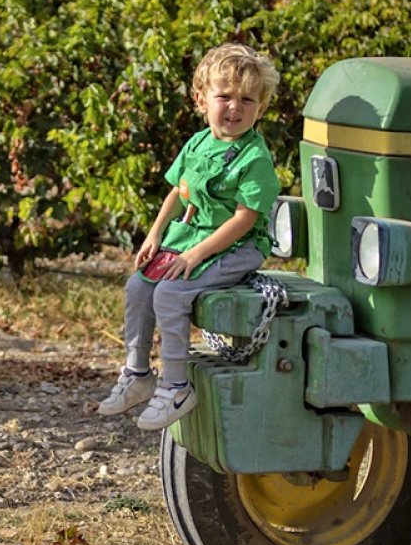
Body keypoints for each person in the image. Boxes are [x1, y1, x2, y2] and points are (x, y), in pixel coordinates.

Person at [98, 43, 281, 431]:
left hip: (236, 246)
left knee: (170, 293)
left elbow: (245, 219)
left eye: (247, 100)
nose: (235, 107)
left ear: (261, 108)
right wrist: (155, 234)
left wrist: (195, 255)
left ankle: (177, 386)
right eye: (224, 96)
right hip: (191, 237)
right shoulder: (198, 143)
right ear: (201, 99)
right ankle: (137, 373)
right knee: (138, 286)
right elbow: (178, 192)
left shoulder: (254, 158)